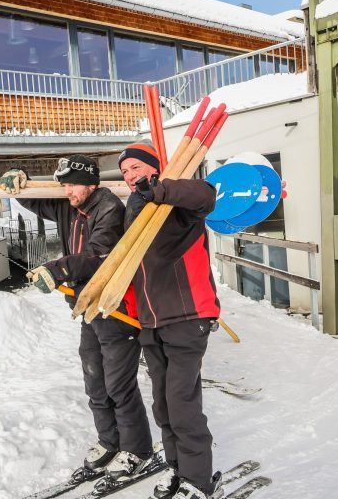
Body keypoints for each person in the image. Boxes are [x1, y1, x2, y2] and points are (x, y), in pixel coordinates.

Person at [0, 155, 153, 481]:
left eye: (71, 184)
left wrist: (58, 270)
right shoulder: (71, 205)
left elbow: (98, 255)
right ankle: (110, 442)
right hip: (88, 308)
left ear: (90, 183)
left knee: (119, 385)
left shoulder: (108, 208)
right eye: (64, 185)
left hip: (116, 310)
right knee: (94, 380)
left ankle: (137, 450)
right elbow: (39, 203)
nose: (66, 191)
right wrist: (20, 183)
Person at [116, 141, 222, 499]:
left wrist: (159, 190)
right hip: (151, 321)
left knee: (181, 404)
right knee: (162, 404)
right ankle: (177, 470)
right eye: (125, 171)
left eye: (135, 167)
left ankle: (198, 481)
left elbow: (207, 196)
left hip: (187, 317)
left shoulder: (177, 199)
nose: (130, 176)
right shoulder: (135, 206)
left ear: (154, 167)